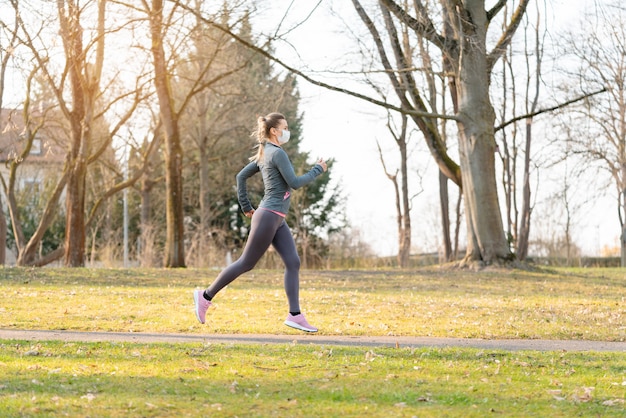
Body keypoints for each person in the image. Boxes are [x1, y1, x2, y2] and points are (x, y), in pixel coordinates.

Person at [193, 112, 327, 333]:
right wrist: (317, 169)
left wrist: (246, 207)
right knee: (246, 262)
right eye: (284, 127)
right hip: (268, 215)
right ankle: (205, 296)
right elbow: (294, 182)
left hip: (277, 219)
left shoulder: (267, 153)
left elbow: (240, 177)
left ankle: (295, 315)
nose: (287, 130)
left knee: (293, 262)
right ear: (274, 130)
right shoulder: (276, 153)